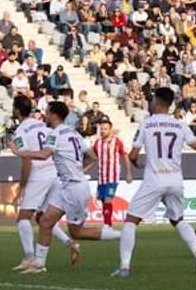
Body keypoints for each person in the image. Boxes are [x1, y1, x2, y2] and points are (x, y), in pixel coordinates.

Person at [113, 86, 196, 278]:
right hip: (175, 180)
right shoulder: (180, 125)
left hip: (154, 180)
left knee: (131, 221)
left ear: (156, 102)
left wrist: (135, 162)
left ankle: (124, 267)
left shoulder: (146, 124)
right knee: (178, 220)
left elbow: (132, 154)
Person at [22, 100, 122, 273]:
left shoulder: (55, 134)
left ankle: (122, 235)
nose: (45, 115)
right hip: (68, 185)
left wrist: (19, 152)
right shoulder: (74, 133)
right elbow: (92, 156)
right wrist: (77, 170)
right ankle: (38, 264)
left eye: (47, 111)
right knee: (45, 221)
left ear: (53, 114)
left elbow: (45, 154)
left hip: (74, 188)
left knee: (76, 232)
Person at [8, 94, 71, 272]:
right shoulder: (44, 126)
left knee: (23, 218)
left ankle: (30, 258)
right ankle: (69, 242)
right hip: (53, 172)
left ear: (17, 111)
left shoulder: (20, 132)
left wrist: (22, 186)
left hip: (39, 174)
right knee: (42, 217)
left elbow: (27, 160)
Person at [91, 117, 131, 227]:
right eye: (102, 129)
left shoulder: (116, 141)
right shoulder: (97, 143)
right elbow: (93, 159)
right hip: (101, 178)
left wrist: (128, 173)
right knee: (104, 202)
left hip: (112, 178)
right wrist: (82, 169)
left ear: (110, 130)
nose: (103, 131)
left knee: (108, 200)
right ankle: (107, 224)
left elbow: (125, 156)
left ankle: (107, 225)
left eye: (105, 129)